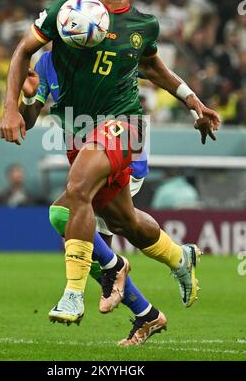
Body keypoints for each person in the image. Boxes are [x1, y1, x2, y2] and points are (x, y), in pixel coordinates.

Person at [0, 0, 220, 340]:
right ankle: (176, 258)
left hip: (125, 125)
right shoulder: (61, 16)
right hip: (79, 133)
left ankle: (74, 291)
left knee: (77, 188)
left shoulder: (142, 25)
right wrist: (17, 104)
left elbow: (153, 67)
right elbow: (22, 55)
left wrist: (193, 101)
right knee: (125, 222)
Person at [20, 49, 165, 345]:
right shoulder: (47, 62)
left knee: (70, 220)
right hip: (89, 161)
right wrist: (27, 97)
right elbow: (30, 118)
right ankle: (147, 309)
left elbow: (150, 72)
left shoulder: (109, 48)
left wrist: (190, 99)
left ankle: (126, 278)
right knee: (90, 245)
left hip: (124, 152)